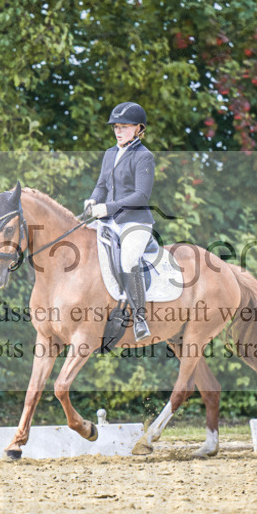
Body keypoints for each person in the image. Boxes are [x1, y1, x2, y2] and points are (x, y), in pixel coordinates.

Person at [83, 101, 155, 342]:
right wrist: (93, 200)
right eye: (116, 127)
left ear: (138, 129)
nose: (118, 131)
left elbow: (141, 195)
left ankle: (140, 317)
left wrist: (108, 207)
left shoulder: (144, 157)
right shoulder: (110, 153)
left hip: (135, 222)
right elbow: (102, 185)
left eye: (124, 127)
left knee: (128, 259)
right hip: (109, 220)